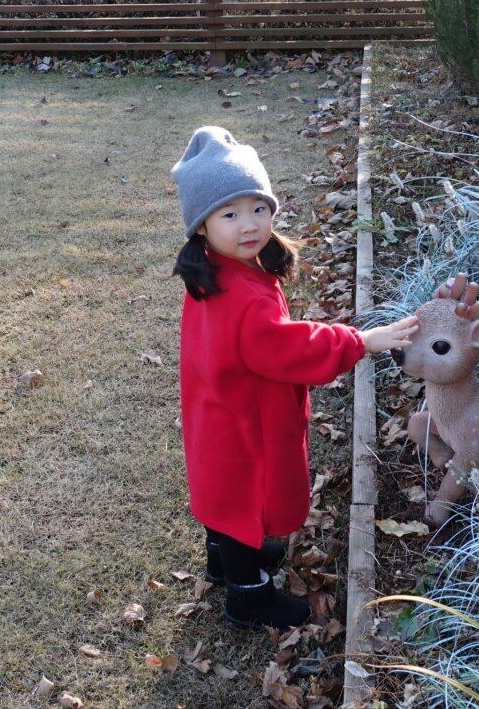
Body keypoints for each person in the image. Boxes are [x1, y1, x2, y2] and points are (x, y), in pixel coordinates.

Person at [170, 126, 418, 631]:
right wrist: (360, 341)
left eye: (258, 208)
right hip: (244, 423)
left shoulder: (213, 271)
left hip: (218, 408)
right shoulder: (244, 294)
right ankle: (248, 597)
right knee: (242, 500)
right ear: (202, 226)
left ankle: (222, 561)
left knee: (224, 496)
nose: (249, 224)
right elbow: (288, 347)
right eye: (230, 214)